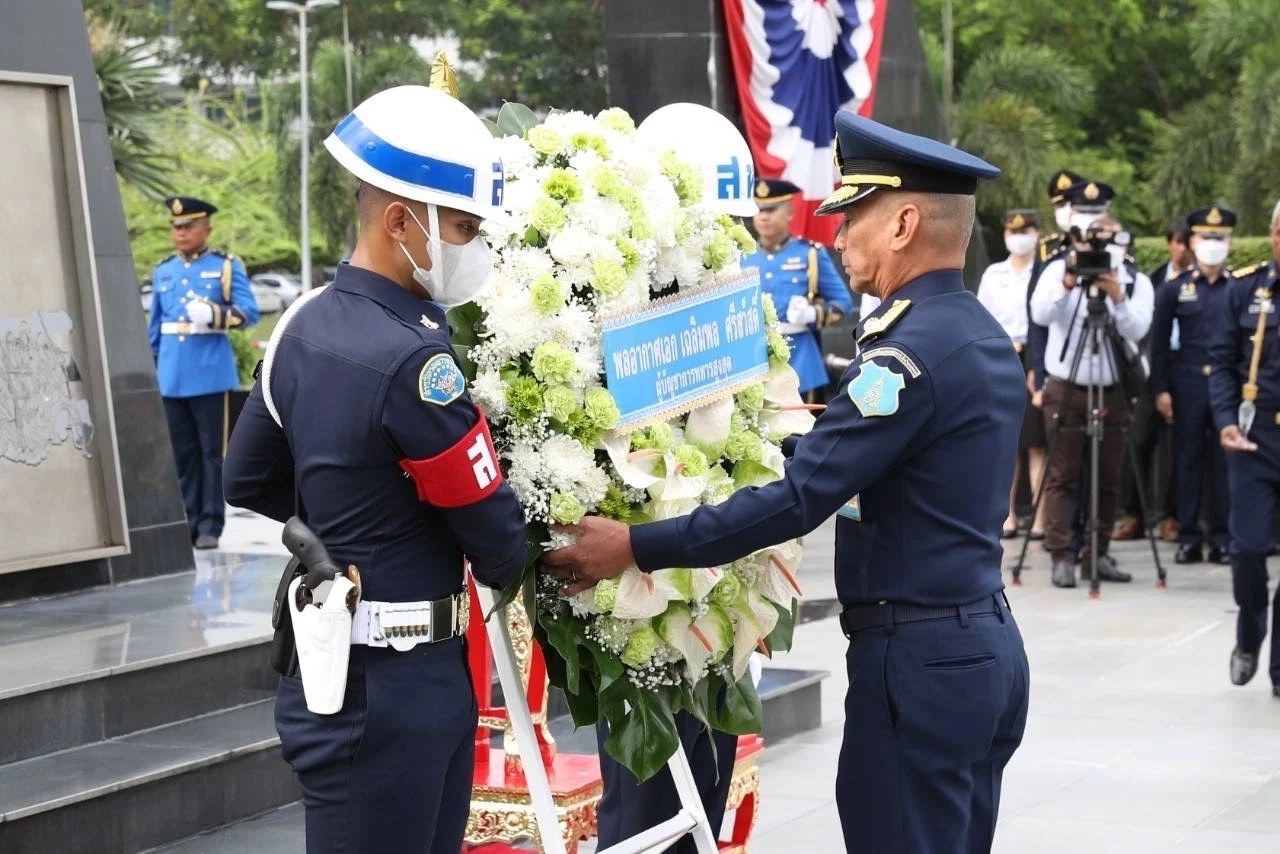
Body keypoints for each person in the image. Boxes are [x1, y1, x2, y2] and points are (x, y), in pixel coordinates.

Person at [545, 110, 1031, 854]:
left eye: (853, 216)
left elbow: (800, 497)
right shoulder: (972, 332)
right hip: (977, 644)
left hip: (921, 659)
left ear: (903, 224)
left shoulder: (904, 359)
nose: (838, 235)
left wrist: (635, 546)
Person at [222, 84, 528, 852]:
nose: (474, 246)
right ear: (401, 220)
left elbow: (247, 479)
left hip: (339, 675)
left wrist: (338, 521)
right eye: (463, 227)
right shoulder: (415, 363)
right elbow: (499, 545)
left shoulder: (299, 324)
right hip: (402, 686)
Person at [610, 100, 763, 854]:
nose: (726, 245)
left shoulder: (732, 309)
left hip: (722, 587)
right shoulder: (611, 301)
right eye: (714, 226)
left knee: (706, 784)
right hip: (643, 588)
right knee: (646, 806)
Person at [1029, 190, 1154, 588]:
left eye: (1109, 240)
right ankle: (1061, 555)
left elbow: (1138, 329)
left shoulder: (1137, 282)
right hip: (1067, 386)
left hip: (1114, 389)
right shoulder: (1058, 269)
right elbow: (1040, 313)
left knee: (1109, 477)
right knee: (1063, 474)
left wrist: (1117, 297)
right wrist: (1068, 281)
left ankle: (1096, 554)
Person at [149, 196, 259, 550]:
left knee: (212, 453)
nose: (180, 233)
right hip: (171, 375)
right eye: (176, 227)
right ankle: (187, 521)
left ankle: (210, 524)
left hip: (210, 374)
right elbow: (155, 328)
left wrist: (215, 315)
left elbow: (249, 313)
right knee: (182, 455)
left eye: (188, 226)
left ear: (206, 228)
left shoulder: (225, 266)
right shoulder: (163, 270)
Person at [1208, 197, 1280, 695]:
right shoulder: (1247, 289)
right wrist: (1227, 421)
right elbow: (1221, 362)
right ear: (1274, 235)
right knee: (1248, 547)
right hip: (1255, 438)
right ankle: (1250, 635)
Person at [1150, 207, 1237, 565]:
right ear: (1193, 242)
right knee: (1186, 461)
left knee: (1223, 462)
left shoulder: (1239, 287)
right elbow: (1158, 344)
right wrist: (1161, 389)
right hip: (1185, 382)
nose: (1212, 245)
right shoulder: (1175, 289)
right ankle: (1188, 536)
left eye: (1219, 238)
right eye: (1205, 237)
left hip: (1225, 385)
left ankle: (1221, 538)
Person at [1114, 218, 1192, 543]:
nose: (1182, 249)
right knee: (1139, 440)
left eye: (1187, 242)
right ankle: (1133, 515)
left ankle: (1173, 517)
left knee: (1180, 447)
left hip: (1187, 367)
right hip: (1153, 367)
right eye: (1177, 241)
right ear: (1170, 244)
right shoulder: (1155, 278)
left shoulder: (1206, 281)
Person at [742, 178, 853, 402]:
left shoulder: (809, 253)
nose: (763, 216)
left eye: (771, 210)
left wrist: (812, 314)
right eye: (758, 210)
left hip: (800, 358)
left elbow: (843, 302)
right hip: (753, 360)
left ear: (790, 213)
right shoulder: (743, 256)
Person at [978, 209, 1048, 540]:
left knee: (1036, 444)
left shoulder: (1044, 273)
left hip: (1033, 356)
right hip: (1000, 356)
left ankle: (1040, 517)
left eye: (1027, 230)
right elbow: (982, 319)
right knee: (1005, 441)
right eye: (1014, 231)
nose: (1020, 237)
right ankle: (1006, 516)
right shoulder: (994, 274)